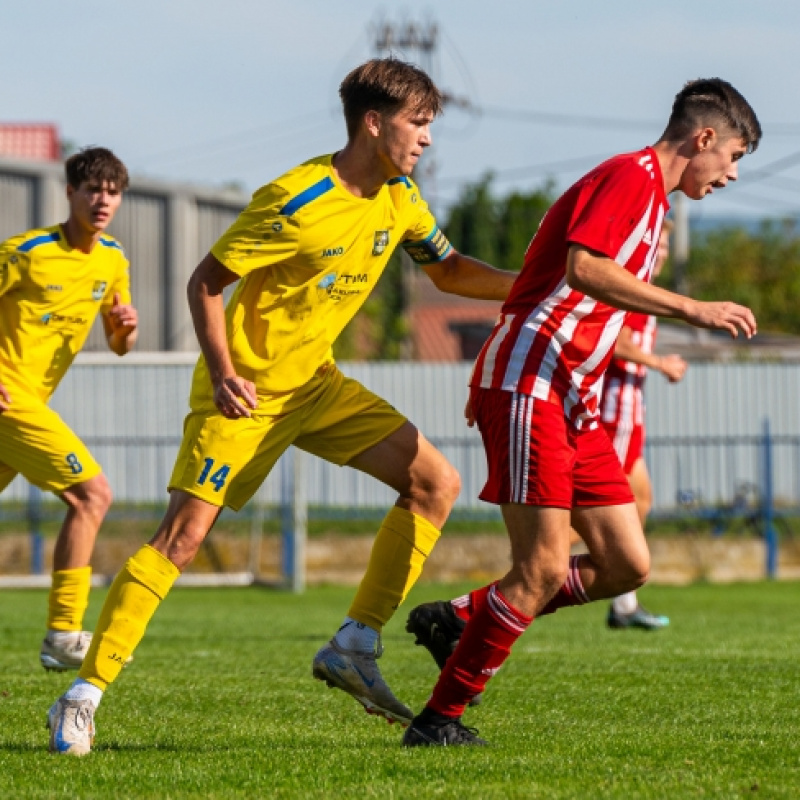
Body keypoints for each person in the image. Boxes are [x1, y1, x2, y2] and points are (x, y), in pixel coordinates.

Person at [46, 58, 518, 755]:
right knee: (181, 538)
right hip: (246, 392)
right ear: (374, 121)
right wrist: (225, 371)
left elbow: (448, 271)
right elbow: (205, 282)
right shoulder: (293, 201)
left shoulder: (401, 196)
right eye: (418, 124)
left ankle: (356, 641)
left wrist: (536, 285)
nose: (425, 140)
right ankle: (82, 694)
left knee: (434, 484)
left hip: (317, 387)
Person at [402, 77, 761, 747]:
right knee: (538, 568)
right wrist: (693, 309)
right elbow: (585, 270)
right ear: (704, 138)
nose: (732, 174)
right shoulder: (631, 177)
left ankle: (465, 617)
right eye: (734, 156)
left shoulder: (658, 204)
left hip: (572, 397)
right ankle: (438, 719)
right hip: (533, 383)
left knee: (627, 564)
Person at [0, 147, 137, 672]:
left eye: (112, 191)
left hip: (30, 402)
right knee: (91, 495)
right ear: (70, 194)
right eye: (92, 189)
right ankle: (63, 634)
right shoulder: (28, 251)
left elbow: (121, 342)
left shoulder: (113, 259)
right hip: (10, 400)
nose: (102, 200)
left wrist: (125, 327)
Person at [602, 220, 688, 630]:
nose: (665, 252)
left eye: (668, 244)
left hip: (631, 411)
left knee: (641, 500)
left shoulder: (642, 288)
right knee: (593, 515)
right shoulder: (627, 288)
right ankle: (516, 585)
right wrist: (661, 363)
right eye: (661, 243)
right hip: (614, 410)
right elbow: (616, 345)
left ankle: (624, 604)